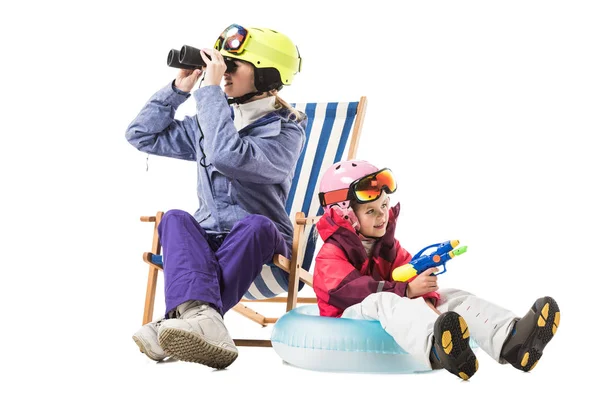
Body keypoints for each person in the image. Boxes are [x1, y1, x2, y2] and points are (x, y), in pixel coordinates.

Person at [126, 24, 306, 369]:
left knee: (256, 224)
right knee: (176, 218)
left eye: (232, 65)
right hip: (207, 243)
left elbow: (228, 155)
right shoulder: (208, 121)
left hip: (263, 247)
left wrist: (209, 94)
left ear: (267, 74)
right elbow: (140, 135)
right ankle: (205, 321)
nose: (221, 71)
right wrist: (179, 90)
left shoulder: (285, 130)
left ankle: (172, 321)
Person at [313, 160, 560, 380]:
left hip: (392, 313)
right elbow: (348, 291)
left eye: (384, 205)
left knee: (448, 296)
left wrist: (427, 295)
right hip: (346, 321)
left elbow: (410, 276)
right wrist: (407, 290)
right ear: (345, 216)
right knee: (382, 300)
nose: (382, 216)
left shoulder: (388, 247)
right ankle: (438, 348)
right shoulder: (330, 255)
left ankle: (512, 340)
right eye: (371, 211)